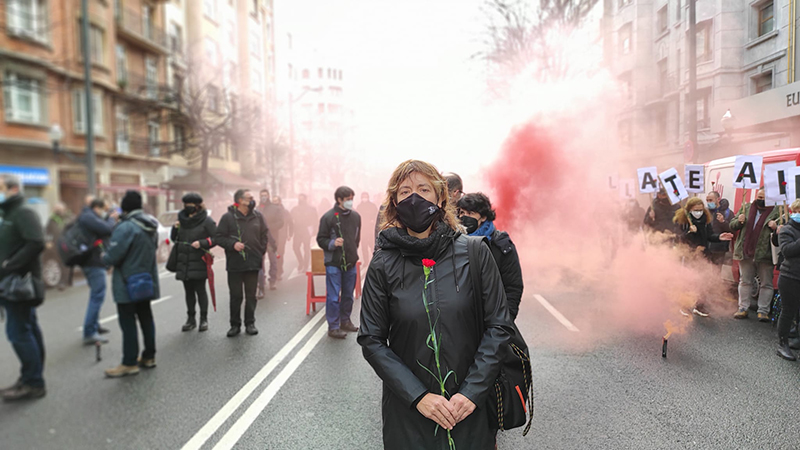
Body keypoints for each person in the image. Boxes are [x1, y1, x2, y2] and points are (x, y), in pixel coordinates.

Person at [358, 160, 514, 449]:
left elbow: (499, 326)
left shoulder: (475, 253)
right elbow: (371, 339)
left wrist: (471, 392)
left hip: (467, 408)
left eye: (423, 189)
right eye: (404, 191)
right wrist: (418, 396)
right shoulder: (383, 263)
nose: (414, 198)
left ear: (441, 197)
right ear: (394, 202)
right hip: (409, 412)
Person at [101, 191, 160, 378]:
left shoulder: (125, 227)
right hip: (146, 279)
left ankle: (129, 362)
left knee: (128, 323)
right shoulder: (150, 224)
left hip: (128, 282)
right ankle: (149, 356)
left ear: (124, 207)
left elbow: (113, 255)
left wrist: (103, 257)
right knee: (146, 318)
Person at [0, 174, 47, 401]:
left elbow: (36, 242)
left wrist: (10, 265)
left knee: (18, 333)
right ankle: (31, 376)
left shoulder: (22, 211)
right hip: (11, 283)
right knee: (27, 328)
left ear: (13, 188)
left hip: (18, 283)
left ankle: (33, 382)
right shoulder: (7, 213)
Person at [457, 192, 524, 321]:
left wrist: (505, 322)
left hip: (490, 319)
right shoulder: (454, 241)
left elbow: (512, 287)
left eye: (470, 214)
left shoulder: (501, 245)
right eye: (462, 213)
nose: (465, 217)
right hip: (460, 321)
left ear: (483, 217)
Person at [216, 189, 269, 337]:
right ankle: (235, 324)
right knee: (236, 295)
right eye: (249, 198)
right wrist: (232, 244)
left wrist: (260, 251)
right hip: (235, 263)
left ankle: (250, 323)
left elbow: (265, 234)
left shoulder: (258, 216)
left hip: (253, 261)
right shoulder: (228, 218)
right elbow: (219, 237)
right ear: (240, 200)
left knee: (251, 295)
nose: (253, 200)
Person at [673, 197, 734, 317]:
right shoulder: (683, 221)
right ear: (690, 210)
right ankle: (684, 305)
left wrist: (719, 237)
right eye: (696, 210)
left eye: (701, 209)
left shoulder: (705, 221)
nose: (699, 212)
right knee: (689, 281)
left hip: (704, 255)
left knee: (703, 281)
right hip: (689, 255)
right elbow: (679, 238)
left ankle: (700, 306)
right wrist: (689, 232)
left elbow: (709, 236)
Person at [316, 186, 361, 339]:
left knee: (349, 295)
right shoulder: (328, 217)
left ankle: (345, 321)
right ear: (339, 200)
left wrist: (352, 252)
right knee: (334, 297)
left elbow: (357, 239)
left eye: (352, 199)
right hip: (333, 263)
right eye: (348, 199)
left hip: (350, 262)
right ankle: (333, 326)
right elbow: (320, 239)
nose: (351, 202)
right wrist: (333, 243)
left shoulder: (356, 217)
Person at [730, 188, 780, 321]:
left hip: (765, 253)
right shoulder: (746, 208)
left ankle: (763, 311)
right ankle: (742, 308)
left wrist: (776, 226)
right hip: (746, 252)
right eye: (759, 196)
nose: (760, 200)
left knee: (766, 284)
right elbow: (732, 225)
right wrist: (738, 221)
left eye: (763, 198)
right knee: (745, 282)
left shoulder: (776, 211)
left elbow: (784, 228)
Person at [171, 193, 217, 332]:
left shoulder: (207, 220)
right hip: (184, 260)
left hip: (199, 259)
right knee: (188, 291)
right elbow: (175, 239)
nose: (187, 207)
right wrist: (175, 228)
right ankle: (191, 319)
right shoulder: (181, 220)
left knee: (200, 290)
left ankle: (203, 319)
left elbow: (216, 238)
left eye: (191, 205)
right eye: (186, 205)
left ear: (197, 206)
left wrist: (202, 243)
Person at [77, 198, 118, 345]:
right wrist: (112, 220)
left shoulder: (88, 216)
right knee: (97, 295)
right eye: (103, 209)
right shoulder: (88, 217)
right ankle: (89, 332)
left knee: (96, 294)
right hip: (92, 262)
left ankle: (94, 325)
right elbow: (106, 229)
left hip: (91, 261)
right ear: (97, 207)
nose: (103, 212)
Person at [776, 200, 800, 360]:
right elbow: (787, 251)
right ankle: (782, 344)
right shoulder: (786, 230)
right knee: (788, 311)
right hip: (790, 278)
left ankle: (797, 339)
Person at [256, 189, 283, 294]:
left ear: (268, 196)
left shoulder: (275, 208)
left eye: (265, 195)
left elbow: (281, 222)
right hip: (259, 239)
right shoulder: (257, 209)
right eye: (262, 195)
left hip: (272, 239)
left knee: (273, 260)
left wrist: (269, 227)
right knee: (259, 261)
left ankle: (273, 280)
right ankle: (261, 281)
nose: (263, 197)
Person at [45, 201, 73, 290]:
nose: (58, 211)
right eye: (56, 209)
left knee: (65, 262)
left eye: (60, 209)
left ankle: (65, 281)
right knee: (62, 263)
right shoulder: (51, 219)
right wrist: (48, 241)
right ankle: (64, 281)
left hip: (68, 243)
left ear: (64, 209)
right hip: (57, 244)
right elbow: (46, 231)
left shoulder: (70, 218)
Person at [290, 194, 317, 272]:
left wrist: (314, 230)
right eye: (299, 198)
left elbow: (315, 220)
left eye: (302, 199)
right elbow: (291, 220)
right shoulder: (295, 209)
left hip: (306, 231)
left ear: (305, 199)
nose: (300, 200)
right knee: (295, 247)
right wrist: (291, 232)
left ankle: (305, 265)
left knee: (306, 248)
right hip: (297, 230)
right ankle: (301, 262)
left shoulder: (311, 209)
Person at [706, 192, 734, 266]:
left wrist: (723, 222)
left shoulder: (728, 213)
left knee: (716, 271)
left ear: (718, 199)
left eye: (711, 200)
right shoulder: (706, 212)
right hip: (706, 246)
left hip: (719, 248)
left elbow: (732, 229)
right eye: (707, 200)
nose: (709, 202)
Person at [272, 195, 292, 276]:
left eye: (276, 201)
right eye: (273, 201)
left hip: (281, 236)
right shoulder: (270, 211)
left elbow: (290, 223)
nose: (274, 203)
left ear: (280, 202)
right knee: (273, 254)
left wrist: (290, 234)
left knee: (280, 254)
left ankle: (279, 270)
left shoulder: (285, 212)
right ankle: (274, 271)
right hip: (272, 236)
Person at [357, 192, 378, 265]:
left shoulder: (372, 206)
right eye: (363, 197)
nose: (364, 198)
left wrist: (373, 220)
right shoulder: (359, 207)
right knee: (364, 246)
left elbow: (376, 215)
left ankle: (374, 260)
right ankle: (366, 261)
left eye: (365, 197)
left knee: (372, 245)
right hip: (363, 229)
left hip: (371, 229)